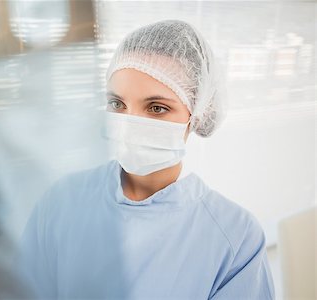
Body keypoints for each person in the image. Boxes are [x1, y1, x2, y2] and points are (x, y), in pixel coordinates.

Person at [18, 20, 276, 299]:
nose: (129, 124)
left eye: (156, 108)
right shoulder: (61, 202)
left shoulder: (235, 237)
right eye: (117, 104)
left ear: (196, 115)